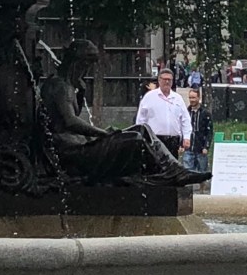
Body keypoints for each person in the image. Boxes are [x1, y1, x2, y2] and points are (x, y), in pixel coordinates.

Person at [39, 41, 209, 186]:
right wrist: (103, 134)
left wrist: (80, 92)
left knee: (142, 129)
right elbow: (70, 122)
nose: (87, 72)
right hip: (72, 152)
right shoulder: (58, 86)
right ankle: (169, 173)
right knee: (135, 139)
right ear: (78, 64)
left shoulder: (67, 86)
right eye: (86, 66)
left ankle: (174, 170)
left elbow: (67, 117)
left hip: (80, 144)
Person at [136, 66, 191, 159]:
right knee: (155, 167)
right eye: (165, 79)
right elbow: (141, 119)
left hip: (173, 140)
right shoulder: (149, 97)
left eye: (169, 79)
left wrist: (186, 137)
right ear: (159, 80)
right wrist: (141, 136)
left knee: (172, 167)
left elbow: (185, 119)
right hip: (155, 139)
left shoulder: (177, 98)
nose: (167, 82)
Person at [183, 89, 213, 178]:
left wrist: (206, 146)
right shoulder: (186, 112)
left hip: (201, 148)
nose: (192, 100)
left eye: (194, 97)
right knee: (187, 172)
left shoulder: (205, 113)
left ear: (198, 98)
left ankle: (202, 189)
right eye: (190, 97)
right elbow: (182, 129)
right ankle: (189, 189)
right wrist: (181, 144)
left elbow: (209, 131)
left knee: (202, 171)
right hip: (188, 147)